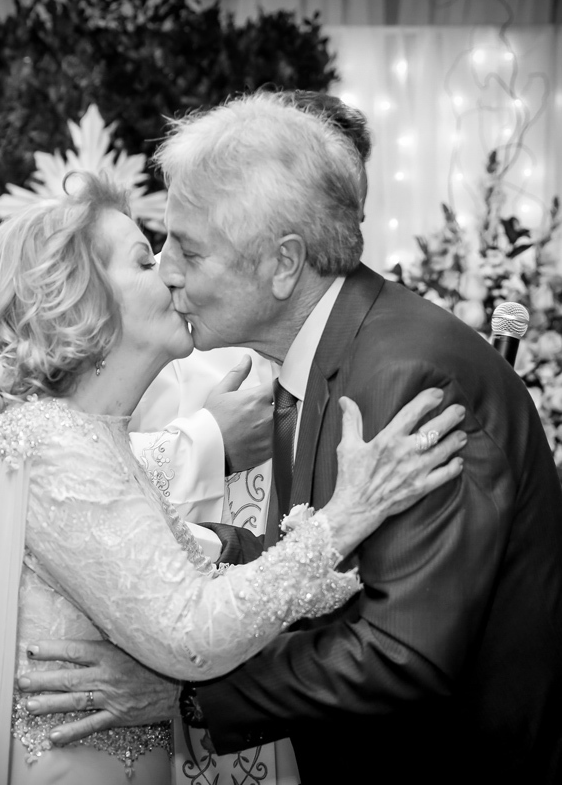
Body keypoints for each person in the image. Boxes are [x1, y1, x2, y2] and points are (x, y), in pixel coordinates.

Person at [19, 93, 562, 782]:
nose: (168, 269)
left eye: (190, 249)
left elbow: (402, 651)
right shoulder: (323, 356)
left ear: (283, 264)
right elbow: (333, 564)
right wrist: (180, 548)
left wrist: (187, 695)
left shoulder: (408, 377)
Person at [0, 172, 467, 784]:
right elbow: (191, 630)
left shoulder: (85, 439)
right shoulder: (54, 446)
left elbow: (200, 585)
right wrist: (350, 515)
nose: (170, 272)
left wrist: (354, 553)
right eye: (144, 261)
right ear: (80, 301)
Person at [128, 90, 374, 784]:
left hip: (314, 700)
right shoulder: (185, 334)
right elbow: (88, 485)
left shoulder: (363, 346)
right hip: (206, 688)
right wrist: (210, 441)